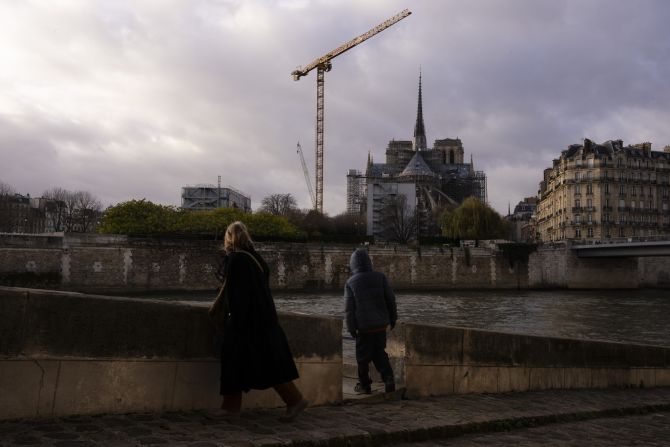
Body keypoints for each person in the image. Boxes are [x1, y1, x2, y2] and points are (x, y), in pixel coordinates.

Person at [214, 221, 308, 421]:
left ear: (229, 237)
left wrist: (233, 323)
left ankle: (232, 406)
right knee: (268, 364)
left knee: (240, 362)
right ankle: (293, 399)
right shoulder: (256, 259)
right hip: (264, 320)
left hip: (247, 323)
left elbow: (237, 297)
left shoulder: (237, 260)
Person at [344, 248, 398, 394]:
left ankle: (364, 385)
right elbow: (391, 299)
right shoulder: (380, 277)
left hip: (363, 327)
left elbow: (349, 309)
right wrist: (393, 318)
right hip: (380, 325)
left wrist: (351, 328)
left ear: (352, 264)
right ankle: (388, 378)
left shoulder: (350, 282)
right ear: (369, 262)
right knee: (379, 353)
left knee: (362, 358)